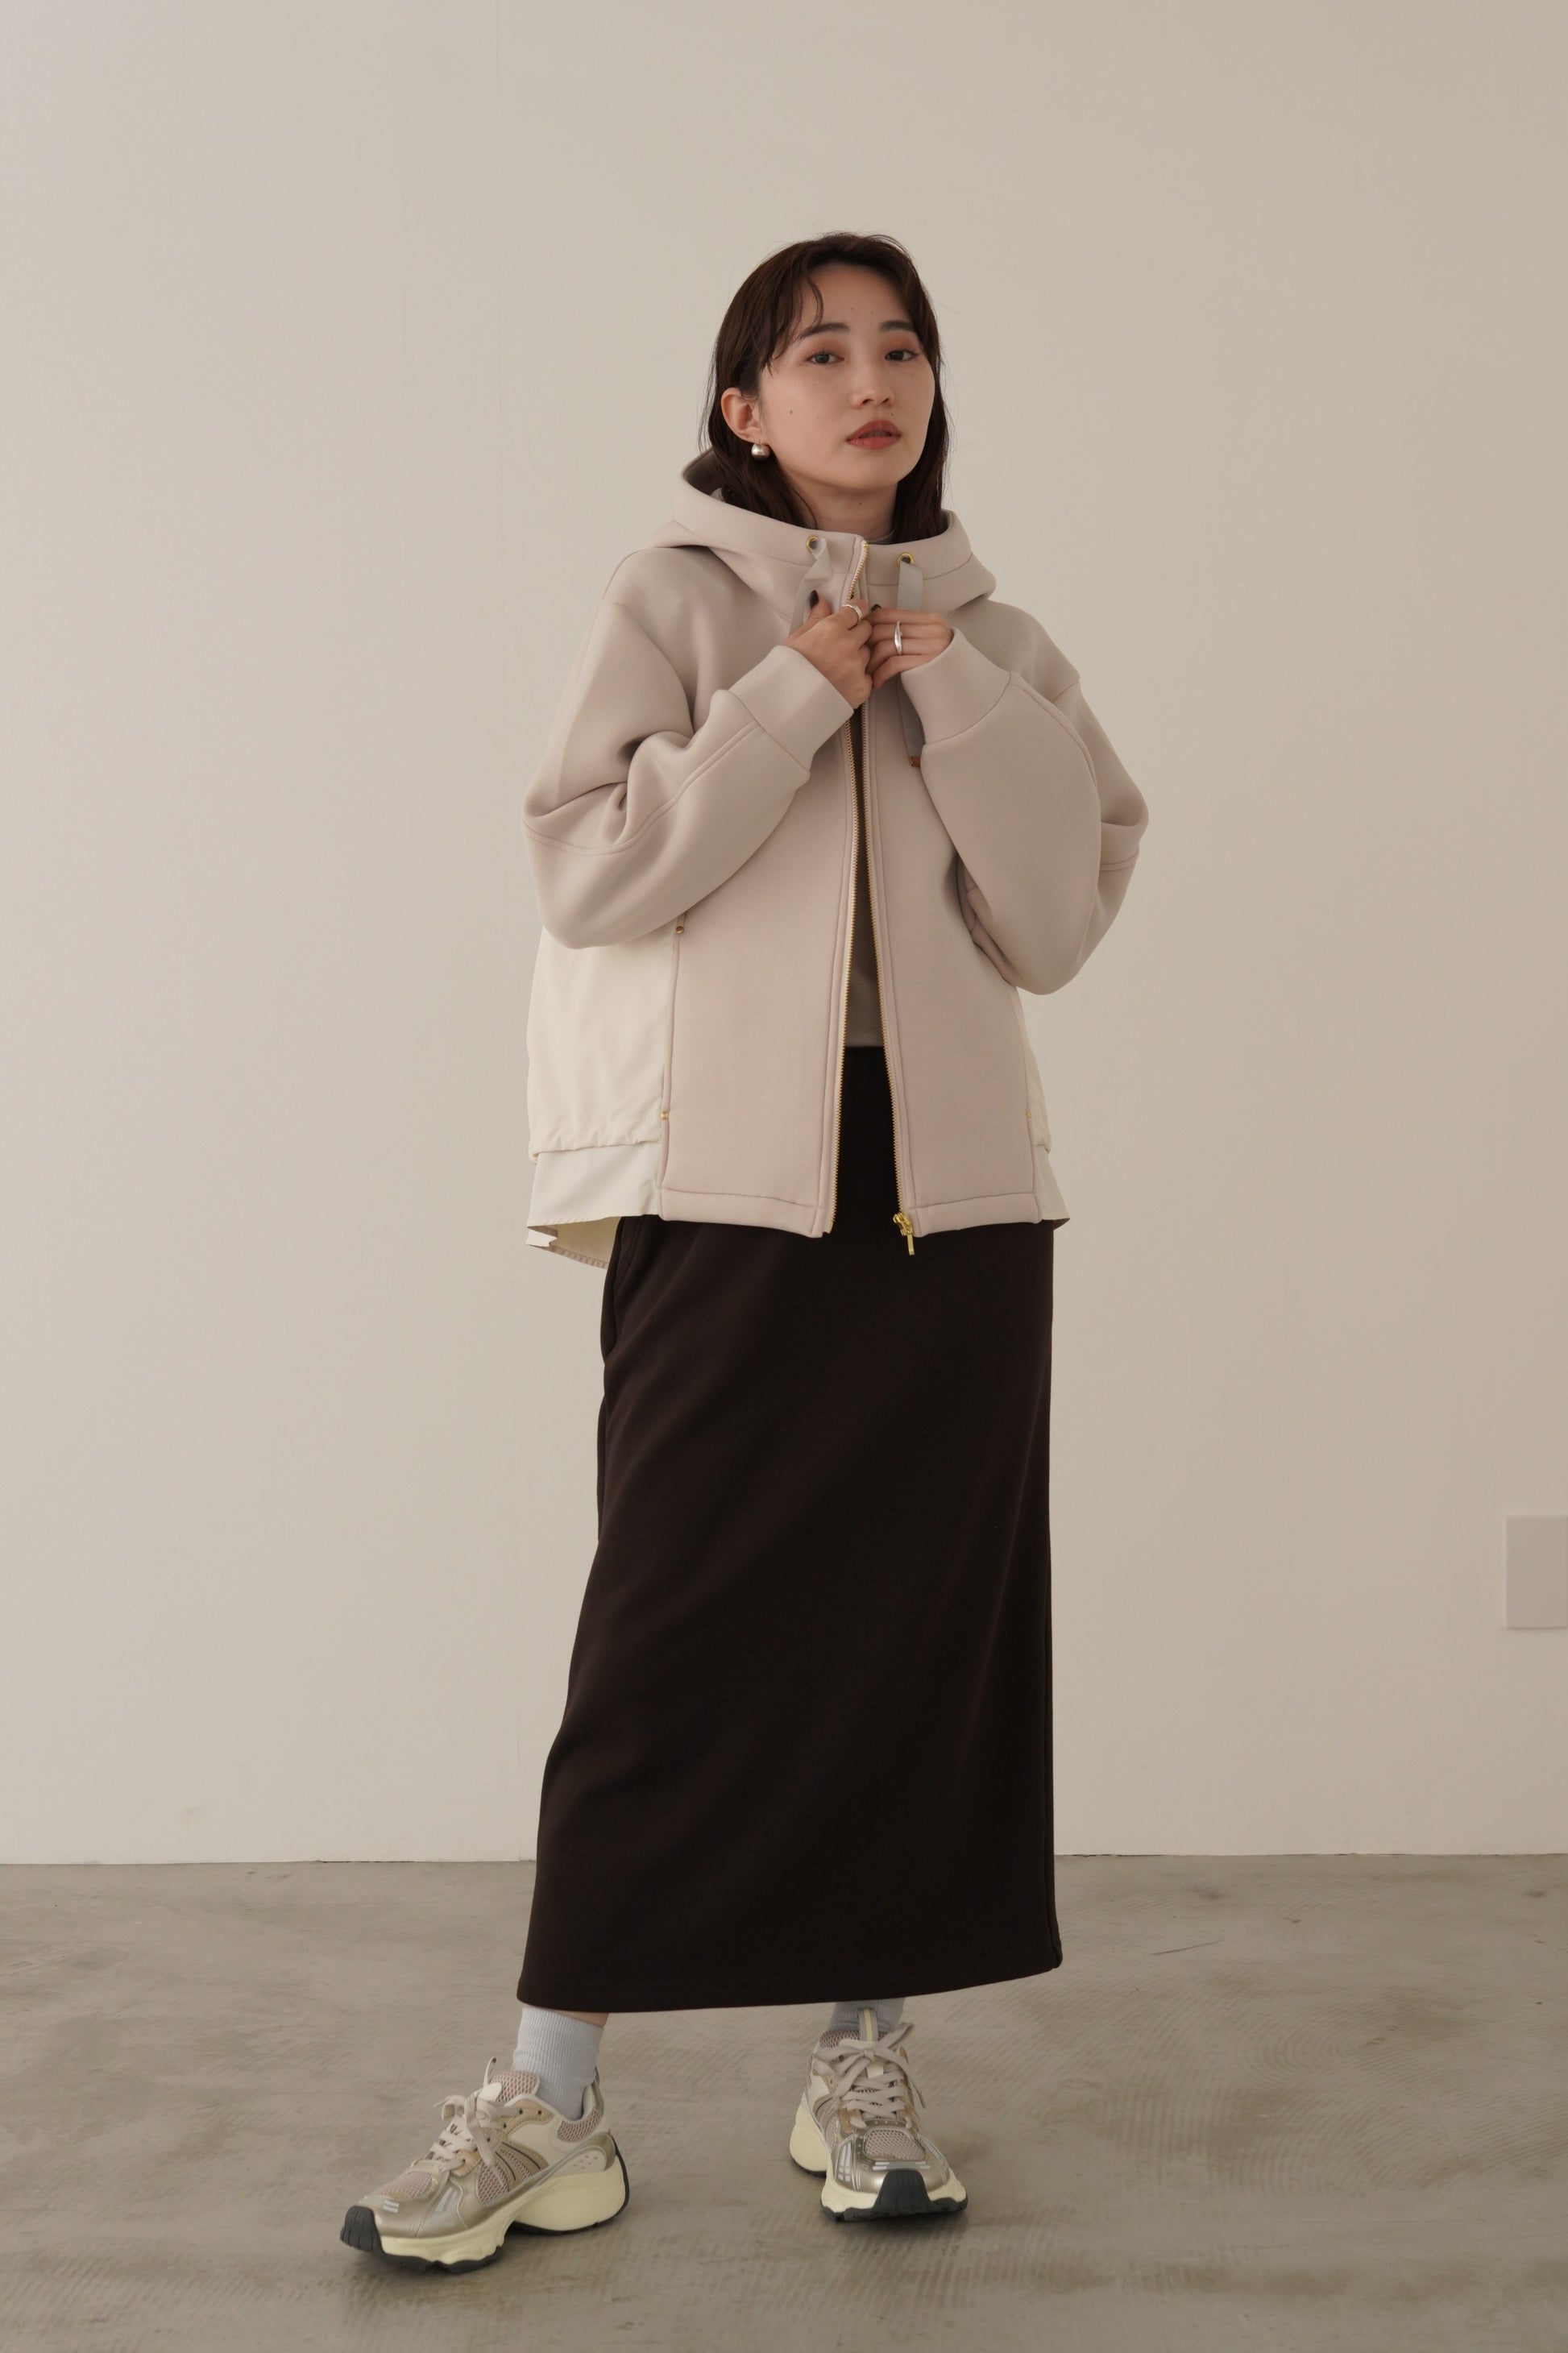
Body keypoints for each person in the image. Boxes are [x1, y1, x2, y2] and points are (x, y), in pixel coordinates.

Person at [341, 231, 1148, 2272]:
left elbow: (1056, 916)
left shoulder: (999, 635)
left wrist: (945, 682)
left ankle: (863, 2058)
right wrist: (795, 690)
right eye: (819, 353)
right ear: (743, 405)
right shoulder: (675, 599)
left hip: (954, 1198)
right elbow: (593, 866)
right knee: (665, 1630)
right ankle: (551, 2094)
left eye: (902, 349)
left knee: (915, 1634)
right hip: (723, 1179)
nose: (870, 383)